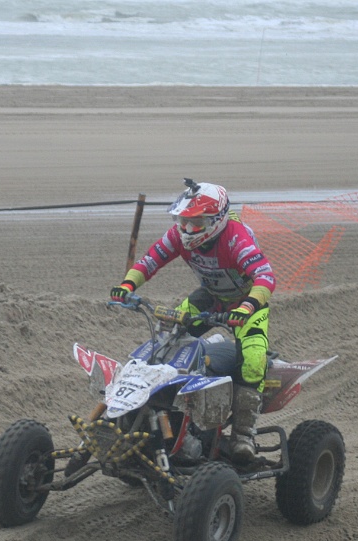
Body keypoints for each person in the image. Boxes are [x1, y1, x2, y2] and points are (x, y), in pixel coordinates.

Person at [110, 179, 276, 462]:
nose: (187, 229)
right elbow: (150, 261)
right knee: (168, 341)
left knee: (253, 360)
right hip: (210, 297)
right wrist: (127, 286)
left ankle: (243, 435)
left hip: (247, 303)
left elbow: (266, 276)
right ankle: (161, 412)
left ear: (217, 220)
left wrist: (248, 306)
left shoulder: (235, 237)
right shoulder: (178, 235)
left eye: (196, 223)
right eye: (183, 221)